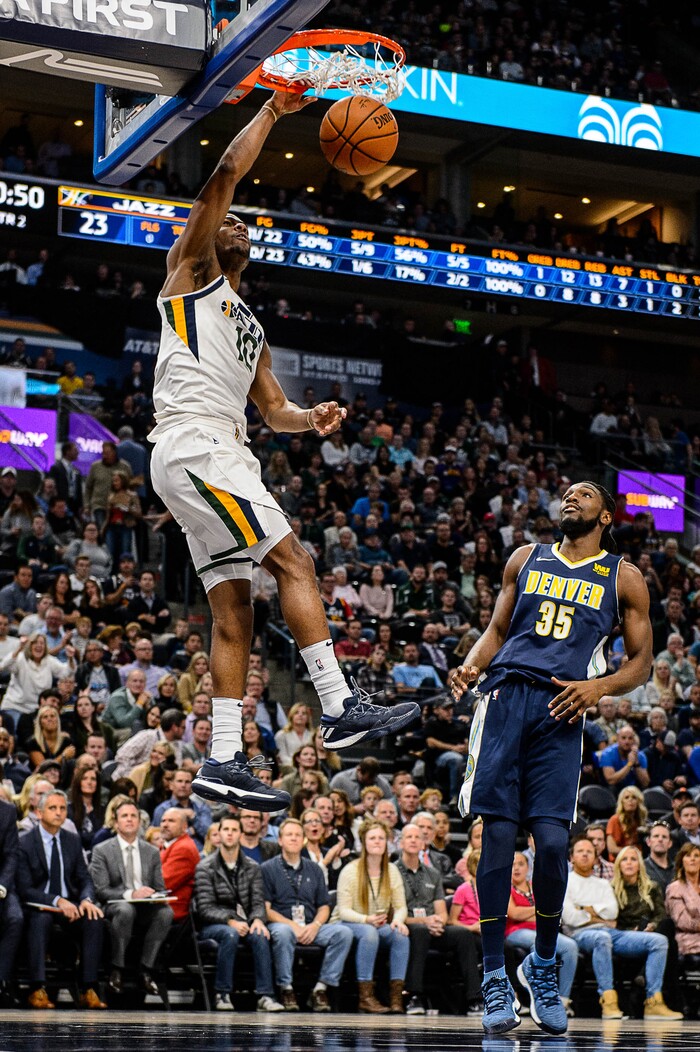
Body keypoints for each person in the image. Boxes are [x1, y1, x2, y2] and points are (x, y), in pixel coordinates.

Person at [146, 91, 419, 811]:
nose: (231, 223)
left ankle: (224, 757)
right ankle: (337, 705)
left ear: (251, 254)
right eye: (225, 221)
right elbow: (222, 181)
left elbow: (272, 409)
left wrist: (312, 417)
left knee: (234, 610)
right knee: (295, 560)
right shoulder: (188, 274)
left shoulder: (251, 327)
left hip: (217, 450)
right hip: (196, 445)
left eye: (241, 227)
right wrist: (272, 111)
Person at [452, 481, 653, 1035]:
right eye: (565, 493)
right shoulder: (526, 557)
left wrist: (600, 688)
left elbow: (643, 663)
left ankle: (542, 964)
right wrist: (471, 664)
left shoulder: (622, 576)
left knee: (555, 842)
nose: (571, 497)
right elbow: (495, 630)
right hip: (505, 699)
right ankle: (496, 974)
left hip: (564, 707)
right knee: (495, 839)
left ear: (606, 515)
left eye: (584, 494)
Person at [562, 836, 680, 1020]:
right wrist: (597, 914)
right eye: (580, 851)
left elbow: (611, 912)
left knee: (659, 941)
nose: (585, 855)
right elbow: (570, 917)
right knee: (602, 938)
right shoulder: (565, 882)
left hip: (611, 933)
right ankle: (608, 1001)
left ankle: (654, 1003)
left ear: (595, 857)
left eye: (589, 852)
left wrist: (583, 909)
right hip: (579, 935)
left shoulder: (602, 884)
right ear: (572, 857)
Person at [18, 789, 106, 1009]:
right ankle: (37, 988)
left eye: (62, 808)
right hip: (40, 906)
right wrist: (56, 901)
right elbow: (25, 888)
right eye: (52, 808)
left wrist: (86, 899)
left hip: (71, 907)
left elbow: (84, 877)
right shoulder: (25, 842)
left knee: (94, 919)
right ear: (39, 813)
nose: (58, 813)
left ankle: (88, 988)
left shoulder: (72, 840)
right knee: (41, 921)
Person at [194, 813, 283, 1011]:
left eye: (234, 830)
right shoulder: (205, 867)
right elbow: (204, 909)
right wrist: (230, 920)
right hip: (214, 925)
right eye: (226, 830)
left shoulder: (252, 867)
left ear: (240, 835)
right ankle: (222, 993)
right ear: (219, 833)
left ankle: (265, 995)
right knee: (230, 934)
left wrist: (258, 920)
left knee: (260, 934)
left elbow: (258, 902)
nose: (230, 834)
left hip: (245, 922)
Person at [261, 818, 353, 1011]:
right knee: (284, 933)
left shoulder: (315, 869)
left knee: (343, 933)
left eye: (297, 835)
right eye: (289, 835)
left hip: (311, 925)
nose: (294, 839)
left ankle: (320, 989)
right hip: (282, 923)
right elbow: (266, 909)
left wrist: (315, 926)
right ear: (280, 840)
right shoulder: (267, 868)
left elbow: (324, 907)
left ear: (303, 840)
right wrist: (293, 926)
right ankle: (286, 989)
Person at [397, 823, 483, 1016]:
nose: (413, 840)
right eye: (408, 837)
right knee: (419, 932)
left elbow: (442, 911)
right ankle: (414, 996)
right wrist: (424, 922)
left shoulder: (433, 873)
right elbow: (392, 914)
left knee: (462, 934)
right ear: (401, 842)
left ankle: (475, 999)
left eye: (417, 837)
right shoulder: (393, 871)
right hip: (405, 926)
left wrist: (439, 922)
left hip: (432, 926)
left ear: (423, 843)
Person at [89, 798, 173, 995]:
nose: (129, 820)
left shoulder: (151, 851)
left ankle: (146, 970)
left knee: (165, 913)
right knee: (125, 909)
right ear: (116, 822)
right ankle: (116, 970)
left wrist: (154, 894)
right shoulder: (102, 850)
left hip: (144, 906)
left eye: (133, 816)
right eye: (124, 816)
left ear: (139, 821)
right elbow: (101, 890)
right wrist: (131, 894)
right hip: (114, 904)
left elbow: (159, 887)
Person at [332, 818, 409, 1013]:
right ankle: (366, 997)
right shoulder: (350, 870)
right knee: (368, 932)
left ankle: (396, 998)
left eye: (381, 838)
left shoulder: (391, 870)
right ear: (363, 842)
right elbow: (343, 911)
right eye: (372, 838)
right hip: (349, 923)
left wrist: (398, 921)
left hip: (377, 925)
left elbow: (400, 906)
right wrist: (366, 919)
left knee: (401, 936)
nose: (377, 842)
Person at [505, 852, 579, 1015]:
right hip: (516, 931)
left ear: (528, 867)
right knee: (538, 941)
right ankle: (540, 996)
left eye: (520, 864)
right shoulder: (506, 887)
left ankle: (563, 1000)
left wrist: (538, 910)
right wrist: (539, 908)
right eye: (512, 865)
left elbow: (554, 908)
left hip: (540, 928)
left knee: (570, 946)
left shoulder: (536, 885)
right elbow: (514, 913)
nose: (516, 868)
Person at [158, 808, 201, 922]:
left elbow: (163, 883)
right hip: (160, 907)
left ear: (184, 827)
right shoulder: (168, 845)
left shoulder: (184, 848)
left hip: (173, 911)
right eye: (163, 821)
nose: (165, 825)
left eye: (171, 821)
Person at [0, 796, 22, 1004]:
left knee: (14, 918)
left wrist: (2, 886)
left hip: (1, 885)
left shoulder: (7, 811)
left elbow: (11, 855)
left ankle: (3, 981)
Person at [606, 786, 648, 858]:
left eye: (634, 797)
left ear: (638, 801)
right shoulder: (614, 820)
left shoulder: (641, 820)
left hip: (639, 860)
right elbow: (612, 849)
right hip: (619, 860)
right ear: (622, 802)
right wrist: (632, 852)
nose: (630, 800)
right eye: (626, 797)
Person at [645, 822, 676, 891]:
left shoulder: (678, 869)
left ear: (670, 843)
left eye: (664, 837)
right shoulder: (640, 868)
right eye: (656, 836)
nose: (660, 840)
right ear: (648, 841)